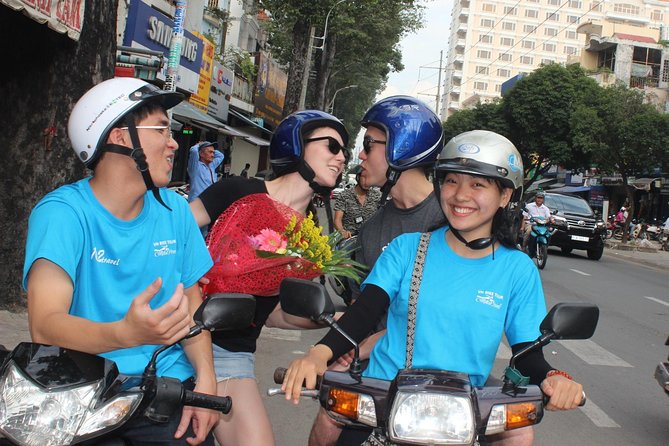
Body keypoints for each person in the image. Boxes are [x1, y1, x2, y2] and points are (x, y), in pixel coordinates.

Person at [282, 130, 585, 446]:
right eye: (451, 181)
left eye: (477, 184)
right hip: (382, 403)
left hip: (461, 417)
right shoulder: (407, 249)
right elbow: (364, 311)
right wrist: (319, 353)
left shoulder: (517, 269)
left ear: (505, 196)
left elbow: (527, 353)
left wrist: (554, 378)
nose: (460, 195)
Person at [23, 78, 218, 445]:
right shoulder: (63, 213)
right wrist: (125, 333)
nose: (174, 142)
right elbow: (45, 326)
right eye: (161, 128)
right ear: (120, 136)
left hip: (167, 391)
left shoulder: (175, 210)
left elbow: (192, 306)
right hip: (82, 393)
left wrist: (206, 379)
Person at [189, 110, 349, 446]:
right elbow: (169, 237)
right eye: (332, 146)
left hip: (230, 355)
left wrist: (334, 320)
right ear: (297, 146)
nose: (342, 157)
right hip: (174, 337)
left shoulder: (310, 237)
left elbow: (274, 312)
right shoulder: (236, 191)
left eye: (345, 151)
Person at [309, 95, 446, 446]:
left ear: (402, 148)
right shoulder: (371, 231)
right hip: (378, 378)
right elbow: (363, 310)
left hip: (442, 388)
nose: (360, 156)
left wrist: (361, 346)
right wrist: (334, 346)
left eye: (369, 145)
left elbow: (436, 314)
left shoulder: (449, 221)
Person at [333, 172, 382, 238]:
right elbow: (337, 220)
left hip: (370, 239)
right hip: (349, 240)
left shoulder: (377, 196)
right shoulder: (344, 195)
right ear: (358, 177)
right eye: (364, 177)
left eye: (370, 179)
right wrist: (343, 232)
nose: (367, 181)